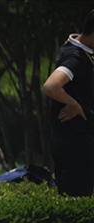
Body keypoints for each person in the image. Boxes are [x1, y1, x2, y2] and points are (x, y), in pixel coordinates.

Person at [43, 9, 94, 197]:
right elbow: (51, 86)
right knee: (77, 202)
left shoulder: (77, 49)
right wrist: (73, 104)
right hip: (76, 141)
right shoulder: (77, 57)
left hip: (69, 138)